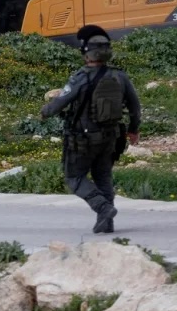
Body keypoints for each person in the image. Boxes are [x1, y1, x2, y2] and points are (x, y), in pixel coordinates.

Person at [41, 25, 140, 234]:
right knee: (103, 177)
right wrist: (133, 130)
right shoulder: (119, 76)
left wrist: (45, 110)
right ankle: (107, 223)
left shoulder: (80, 77)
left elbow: (59, 104)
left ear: (86, 54)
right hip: (111, 137)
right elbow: (134, 105)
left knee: (74, 177)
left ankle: (102, 207)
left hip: (83, 140)